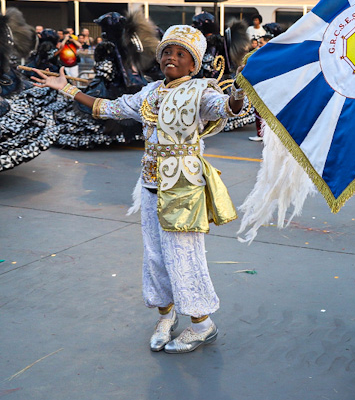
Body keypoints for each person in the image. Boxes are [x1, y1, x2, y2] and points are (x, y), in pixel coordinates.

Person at [31, 25, 246, 353]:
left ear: (194, 64)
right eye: (167, 53)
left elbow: (225, 109)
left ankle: (202, 324)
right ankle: (166, 315)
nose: (171, 58)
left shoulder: (202, 91)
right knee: (155, 257)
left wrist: (238, 95)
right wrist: (66, 88)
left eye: (180, 54)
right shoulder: (148, 94)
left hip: (183, 188)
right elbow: (108, 108)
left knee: (183, 257)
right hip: (149, 186)